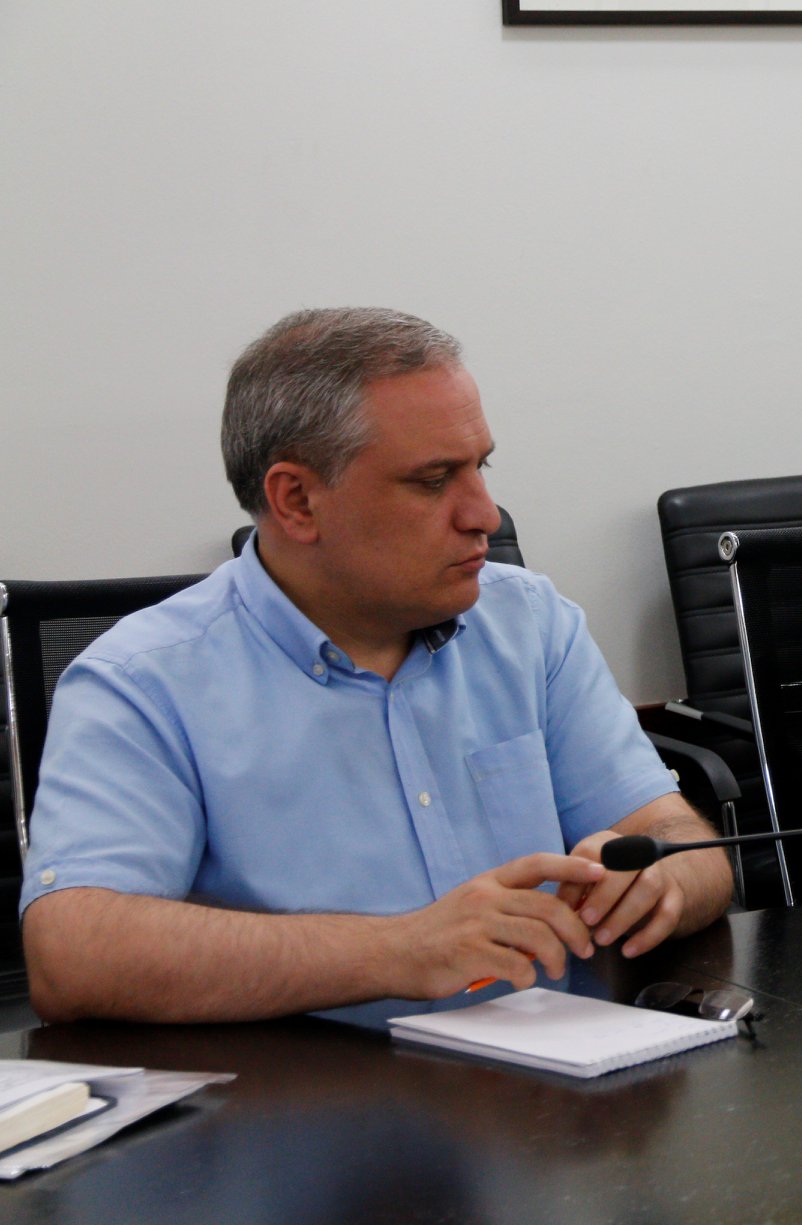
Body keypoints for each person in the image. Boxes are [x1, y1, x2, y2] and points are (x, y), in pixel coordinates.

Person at [20, 308, 732, 1023]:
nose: (484, 514)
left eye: (480, 467)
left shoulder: (528, 622)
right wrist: (400, 950)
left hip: (557, 1071)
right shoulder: (141, 683)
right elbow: (74, 952)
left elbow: (684, 841)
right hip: (315, 1085)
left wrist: (662, 877)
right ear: (297, 501)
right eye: (433, 480)